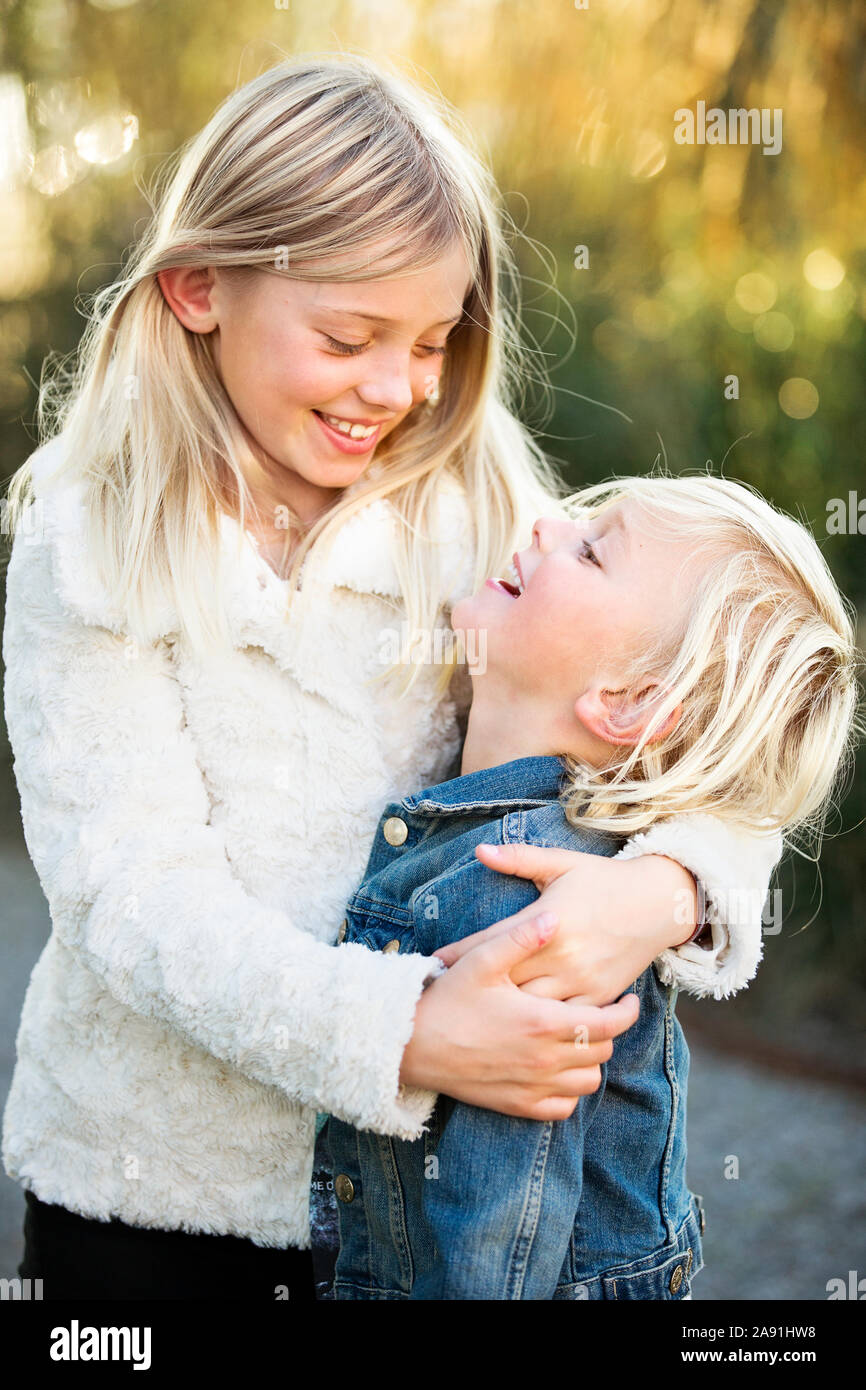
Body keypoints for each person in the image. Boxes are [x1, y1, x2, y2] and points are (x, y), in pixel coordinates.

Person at [2, 56, 781, 1301]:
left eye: (432, 340)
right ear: (200, 286)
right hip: (145, 1196)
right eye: (348, 338)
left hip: (410, 1215)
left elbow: (719, 730)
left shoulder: (477, 508)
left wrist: (666, 888)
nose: (396, 389)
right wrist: (410, 1030)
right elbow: (129, 897)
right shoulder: (91, 539)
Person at [320, 476, 858, 1300]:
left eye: (590, 549)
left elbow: (492, 1247)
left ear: (629, 701)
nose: (542, 524)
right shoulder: (493, 837)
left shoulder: (521, 896)